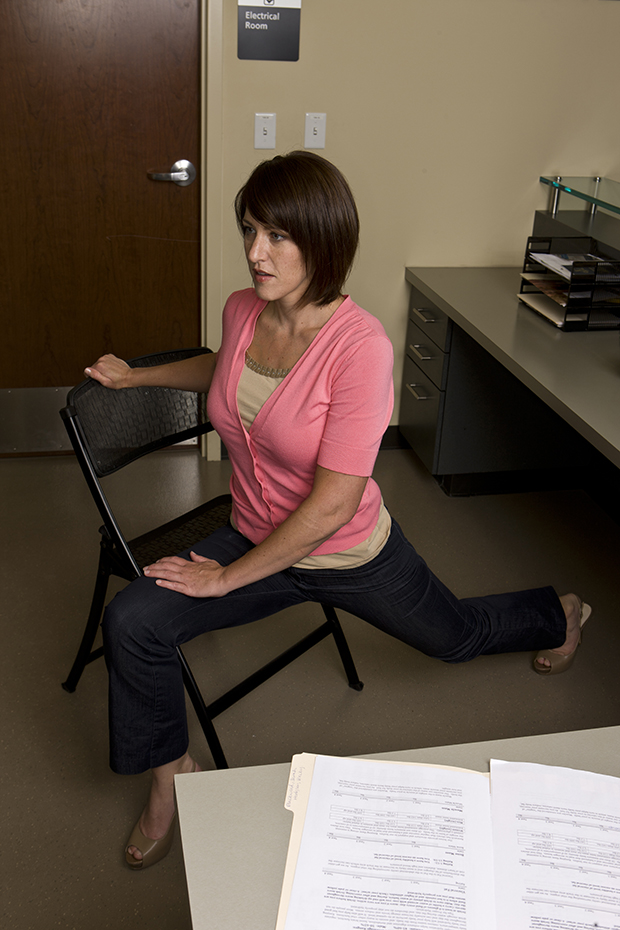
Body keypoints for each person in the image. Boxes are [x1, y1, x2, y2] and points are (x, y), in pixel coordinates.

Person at [85, 151, 590, 870]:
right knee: (131, 620)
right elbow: (223, 366)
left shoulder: (359, 349)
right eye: (250, 230)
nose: (256, 252)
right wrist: (136, 376)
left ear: (323, 240)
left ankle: (559, 612)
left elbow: (331, 507)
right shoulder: (243, 309)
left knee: (455, 638)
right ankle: (173, 780)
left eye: (278, 237)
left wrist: (226, 579)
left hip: (348, 552)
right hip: (256, 538)